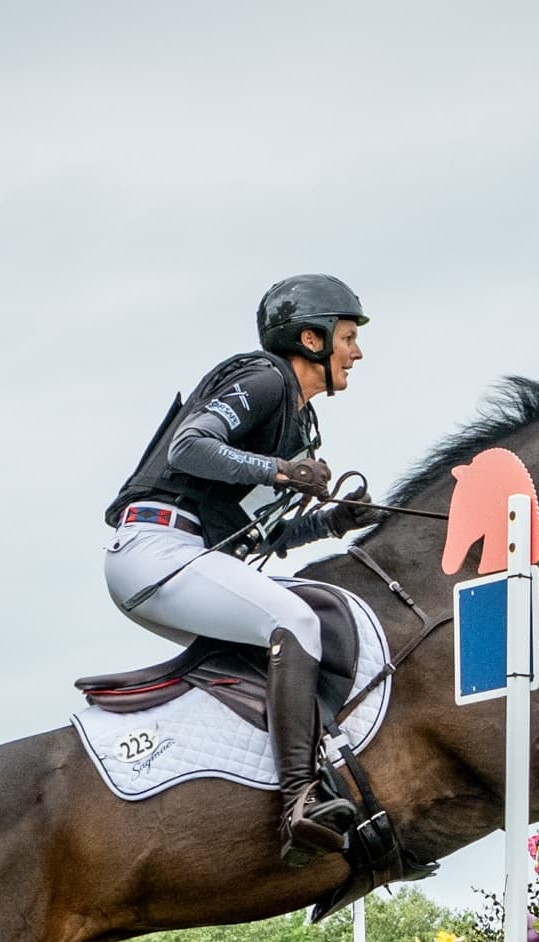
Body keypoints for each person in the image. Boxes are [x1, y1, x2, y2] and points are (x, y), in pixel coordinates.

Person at [104, 274, 379, 864]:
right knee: (296, 622)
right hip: (157, 547)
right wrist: (280, 471)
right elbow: (189, 447)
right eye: (348, 337)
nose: (357, 353)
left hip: (190, 554)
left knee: (286, 641)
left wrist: (332, 525)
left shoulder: (297, 423)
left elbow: (263, 534)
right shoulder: (263, 379)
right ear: (311, 338)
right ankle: (299, 796)